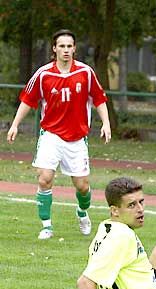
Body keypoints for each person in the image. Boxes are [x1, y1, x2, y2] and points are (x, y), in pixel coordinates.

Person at [6, 29, 111, 240]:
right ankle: (46, 226)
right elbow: (28, 100)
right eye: (61, 46)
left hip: (77, 138)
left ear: (74, 48)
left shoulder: (85, 72)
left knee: (82, 186)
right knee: (45, 179)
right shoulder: (44, 74)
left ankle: (82, 212)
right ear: (54, 49)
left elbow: (99, 99)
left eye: (69, 46)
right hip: (51, 135)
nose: (65, 50)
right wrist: (15, 124)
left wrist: (106, 124)